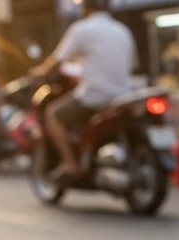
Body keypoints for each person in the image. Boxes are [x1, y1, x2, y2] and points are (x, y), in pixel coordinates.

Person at [30, 0, 135, 183]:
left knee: (53, 114)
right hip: (123, 96)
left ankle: (70, 165)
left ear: (85, 7)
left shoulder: (82, 29)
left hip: (95, 96)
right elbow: (132, 65)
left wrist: (37, 72)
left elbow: (56, 62)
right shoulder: (122, 30)